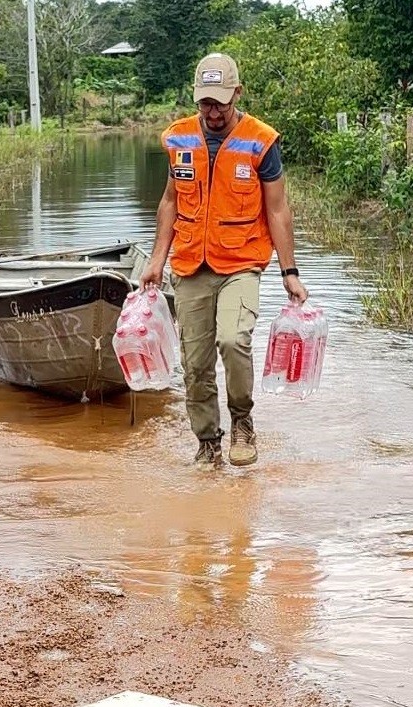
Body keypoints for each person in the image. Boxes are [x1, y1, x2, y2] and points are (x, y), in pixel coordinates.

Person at [139, 52, 308, 470]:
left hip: (241, 264)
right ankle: (208, 444)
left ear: (237, 93)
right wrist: (157, 260)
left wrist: (290, 272)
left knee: (233, 341)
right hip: (191, 264)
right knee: (194, 364)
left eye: (220, 102)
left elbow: (278, 209)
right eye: (205, 103)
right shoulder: (178, 139)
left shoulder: (261, 141)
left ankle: (243, 422)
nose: (212, 112)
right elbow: (169, 202)